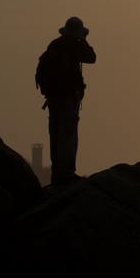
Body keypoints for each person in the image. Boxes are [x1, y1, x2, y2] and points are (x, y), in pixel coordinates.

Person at [40, 16, 96, 187]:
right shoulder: (75, 45)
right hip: (69, 97)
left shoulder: (54, 45)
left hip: (53, 98)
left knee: (56, 133)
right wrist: (84, 40)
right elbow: (92, 57)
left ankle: (57, 172)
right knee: (68, 133)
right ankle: (66, 173)